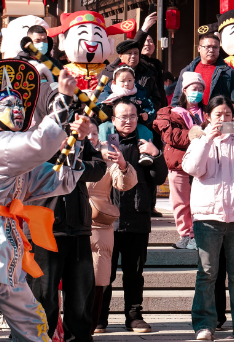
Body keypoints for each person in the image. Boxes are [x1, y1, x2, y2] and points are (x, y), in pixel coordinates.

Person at [0, 60, 94, 342]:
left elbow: (57, 179)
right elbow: (38, 145)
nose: (18, 109)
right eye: (7, 105)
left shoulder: (17, 156)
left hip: (7, 249)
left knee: (34, 325)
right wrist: (64, 99)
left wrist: (77, 140)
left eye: (20, 105)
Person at [182, 96, 234, 341]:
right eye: (218, 114)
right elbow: (193, 168)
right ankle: (204, 325)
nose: (223, 119)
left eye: (228, 115)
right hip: (207, 216)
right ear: (208, 116)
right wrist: (208, 138)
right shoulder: (200, 139)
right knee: (207, 272)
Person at [28, 112, 106, 343]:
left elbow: (99, 167)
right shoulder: (37, 139)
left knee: (81, 293)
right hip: (44, 226)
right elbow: (36, 169)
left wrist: (76, 157)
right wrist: (62, 152)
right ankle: (39, 337)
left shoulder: (81, 140)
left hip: (79, 226)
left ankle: (79, 338)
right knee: (43, 294)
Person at [98, 98, 167, 334]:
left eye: (132, 116)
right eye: (123, 117)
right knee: (103, 271)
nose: (128, 121)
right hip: (106, 218)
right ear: (113, 119)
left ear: (138, 118)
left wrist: (156, 154)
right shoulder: (102, 145)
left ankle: (134, 316)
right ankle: (99, 316)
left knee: (134, 272)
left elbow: (158, 178)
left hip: (137, 215)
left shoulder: (145, 141)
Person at [87, 131, 139, 332]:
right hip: (69, 224)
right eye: (84, 133)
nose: (89, 137)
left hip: (99, 225)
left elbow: (125, 183)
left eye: (93, 133)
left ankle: (92, 323)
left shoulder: (107, 162)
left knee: (99, 276)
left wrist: (123, 165)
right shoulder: (66, 157)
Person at [153, 71, 205, 250]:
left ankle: (197, 235)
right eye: (193, 88)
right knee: (180, 202)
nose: (196, 92)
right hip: (179, 165)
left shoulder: (209, 113)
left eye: (200, 89)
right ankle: (185, 234)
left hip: (203, 166)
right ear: (184, 90)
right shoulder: (171, 113)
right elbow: (171, 136)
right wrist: (193, 134)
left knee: (199, 202)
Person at [170, 32, 234, 107]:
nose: (211, 50)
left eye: (215, 47)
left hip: (218, 116)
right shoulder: (187, 71)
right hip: (190, 116)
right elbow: (177, 99)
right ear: (199, 48)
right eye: (207, 47)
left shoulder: (229, 73)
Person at [135, 12, 168, 108]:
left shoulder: (157, 64)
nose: (147, 44)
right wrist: (143, 29)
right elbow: (135, 45)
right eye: (144, 41)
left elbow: (161, 89)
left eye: (150, 41)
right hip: (143, 106)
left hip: (158, 107)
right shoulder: (137, 62)